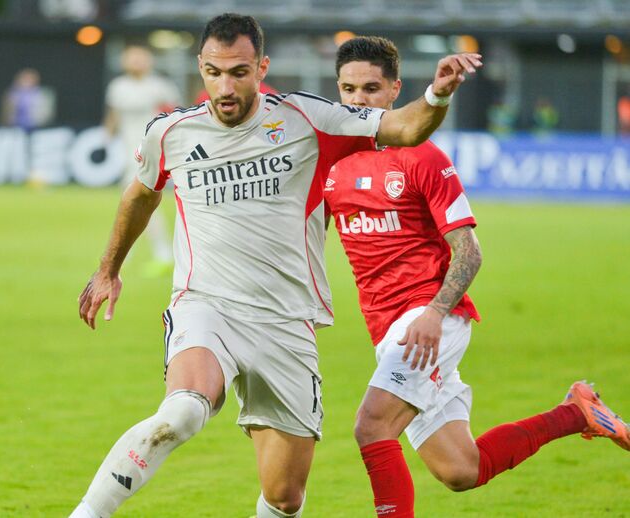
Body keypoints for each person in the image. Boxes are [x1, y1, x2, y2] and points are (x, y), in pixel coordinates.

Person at [71, 13, 481, 518]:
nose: (226, 85)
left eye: (239, 72)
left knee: (285, 496)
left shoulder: (308, 118)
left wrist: (437, 94)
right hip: (207, 306)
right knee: (182, 410)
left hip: (287, 323)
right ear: (200, 67)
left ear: (261, 67)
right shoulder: (170, 132)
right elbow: (139, 196)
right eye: (215, 72)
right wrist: (108, 269)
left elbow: (405, 125)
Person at [324, 36, 629, 518]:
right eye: (348, 89)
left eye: (371, 88)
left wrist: (435, 312)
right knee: (461, 469)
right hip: (385, 330)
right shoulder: (332, 160)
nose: (359, 100)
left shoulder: (423, 157)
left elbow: (469, 251)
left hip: (429, 321)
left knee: (372, 427)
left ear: (395, 89)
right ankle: (577, 412)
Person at [103, 45, 180, 275]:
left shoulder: (160, 86)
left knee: (137, 201)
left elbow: (175, 114)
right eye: (131, 58)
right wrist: (106, 136)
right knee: (138, 203)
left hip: (151, 151)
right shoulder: (118, 87)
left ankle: (155, 254)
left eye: (140, 58)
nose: (135, 62)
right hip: (127, 151)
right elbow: (114, 115)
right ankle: (150, 253)